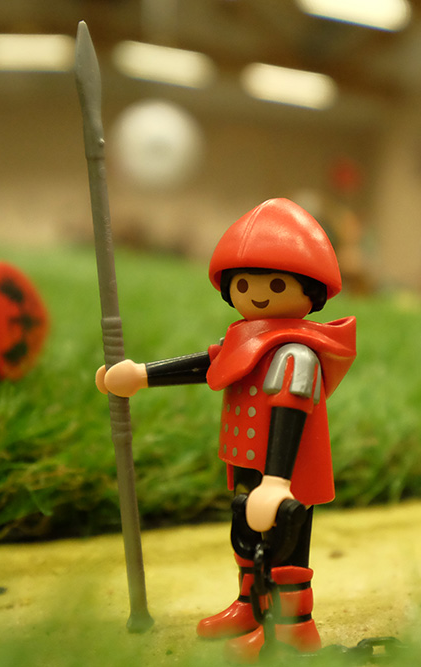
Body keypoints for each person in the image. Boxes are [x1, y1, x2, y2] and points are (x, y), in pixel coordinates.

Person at [96, 198, 356, 661]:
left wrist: (277, 481)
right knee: (246, 536)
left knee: (285, 545)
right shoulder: (245, 340)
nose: (258, 295)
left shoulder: (296, 354)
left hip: (286, 473)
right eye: (244, 283)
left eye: (276, 284)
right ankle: (249, 605)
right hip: (247, 464)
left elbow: (291, 412)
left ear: (311, 290)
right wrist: (141, 375)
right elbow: (209, 365)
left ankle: (293, 628)